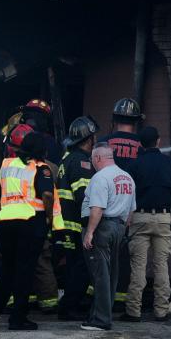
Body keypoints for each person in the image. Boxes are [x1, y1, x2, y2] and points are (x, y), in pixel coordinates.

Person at [0, 127, 64, 330]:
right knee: (25, 271)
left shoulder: (6, 165)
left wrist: (6, 208)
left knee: (5, 271)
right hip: (30, 222)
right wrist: (48, 218)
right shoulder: (41, 168)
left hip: (6, 222)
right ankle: (18, 318)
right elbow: (46, 196)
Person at [121, 126, 171, 322]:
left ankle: (133, 312)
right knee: (161, 267)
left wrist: (129, 217)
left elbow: (128, 194)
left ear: (140, 143)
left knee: (138, 267)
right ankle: (161, 311)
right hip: (164, 219)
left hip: (139, 219)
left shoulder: (134, 166)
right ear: (158, 141)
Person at [81, 143, 136, 331]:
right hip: (119, 227)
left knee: (100, 274)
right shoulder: (128, 177)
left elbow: (97, 208)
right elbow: (131, 211)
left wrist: (90, 232)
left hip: (103, 227)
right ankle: (101, 315)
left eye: (92, 160)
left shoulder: (100, 177)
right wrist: (122, 229)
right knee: (111, 274)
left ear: (97, 158)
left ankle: (101, 320)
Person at [99, 97, 144, 309]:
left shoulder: (105, 142)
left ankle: (101, 297)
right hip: (132, 208)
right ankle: (120, 297)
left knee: (103, 253)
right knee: (125, 255)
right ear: (136, 122)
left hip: (106, 207)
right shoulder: (142, 146)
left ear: (115, 118)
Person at [56, 115, 99, 321]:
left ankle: (69, 304)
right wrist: (91, 223)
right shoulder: (81, 161)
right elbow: (84, 195)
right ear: (88, 139)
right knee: (80, 268)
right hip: (75, 225)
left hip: (64, 223)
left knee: (73, 266)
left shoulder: (66, 159)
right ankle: (68, 306)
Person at [20, 99, 62, 313]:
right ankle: (47, 301)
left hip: (14, 216)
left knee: (16, 258)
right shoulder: (49, 150)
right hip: (37, 216)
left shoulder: (13, 146)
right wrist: (50, 219)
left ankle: (20, 299)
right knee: (41, 257)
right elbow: (48, 191)